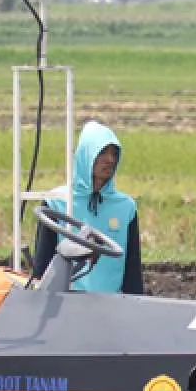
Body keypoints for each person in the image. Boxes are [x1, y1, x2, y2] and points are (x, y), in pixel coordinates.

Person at [31, 120, 144, 294]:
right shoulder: (56, 202)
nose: (110, 159)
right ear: (86, 155)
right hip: (67, 302)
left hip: (111, 303)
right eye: (102, 152)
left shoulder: (126, 207)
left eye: (114, 153)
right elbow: (42, 265)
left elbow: (132, 269)